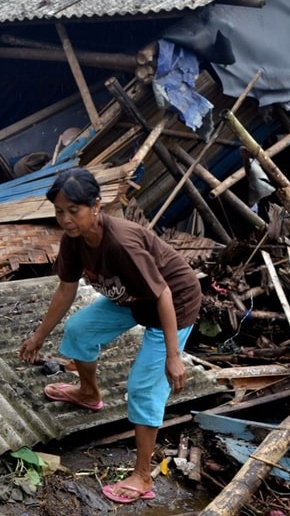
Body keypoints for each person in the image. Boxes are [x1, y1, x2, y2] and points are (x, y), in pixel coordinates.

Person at [18, 167, 201, 504]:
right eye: (59, 211)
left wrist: (174, 356)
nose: (66, 219)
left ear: (96, 206)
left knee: (143, 387)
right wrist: (38, 337)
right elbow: (65, 290)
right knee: (79, 330)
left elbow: (163, 295)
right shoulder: (73, 241)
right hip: (132, 299)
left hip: (172, 303)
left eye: (74, 210)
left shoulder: (121, 244)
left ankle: (143, 475)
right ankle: (88, 393)